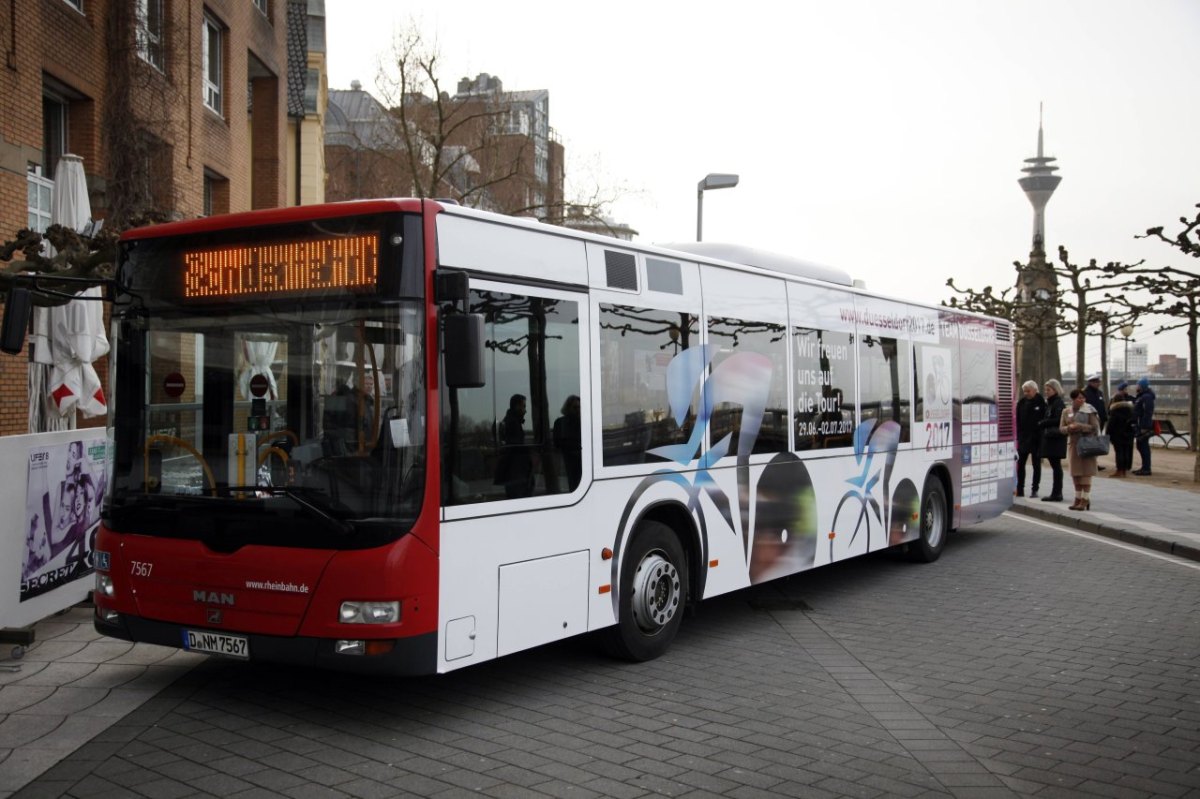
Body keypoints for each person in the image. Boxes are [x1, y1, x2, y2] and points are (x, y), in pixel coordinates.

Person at [1062, 388, 1101, 511]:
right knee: (1076, 474)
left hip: (1087, 445)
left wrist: (1080, 426)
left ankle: (1085, 499)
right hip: (1074, 445)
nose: (1082, 400)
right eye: (1079, 398)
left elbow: (1095, 428)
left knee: (1086, 474)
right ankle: (1077, 498)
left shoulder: (1090, 410)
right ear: (1073, 399)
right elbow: (1061, 428)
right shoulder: (1066, 411)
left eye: (1083, 398)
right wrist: (1069, 428)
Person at [495, 393, 533, 498]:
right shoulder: (512, 423)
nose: (525, 410)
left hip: (513, 472)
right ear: (517, 406)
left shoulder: (509, 421)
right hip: (516, 473)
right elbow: (516, 447)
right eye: (524, 406)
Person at [1015, 380, 1046, 497]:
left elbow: (1043, 419)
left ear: (1035, 390)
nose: (1026, 393)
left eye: (1028, 391)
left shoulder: (1041, 402)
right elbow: (1017, 420)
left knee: (1036, 465)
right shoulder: (1021, 402)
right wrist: (1018, 436)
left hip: (1036, 439)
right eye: (1024, 391)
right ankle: (1020, 488)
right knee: (1020, 464)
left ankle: (1035, 489)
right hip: (1023, 438)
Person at [1038, 379, 1067, 502]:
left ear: (1055, 390)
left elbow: (1058, 419)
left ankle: (1057, 493)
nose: (1046, 392)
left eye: (1048, 390)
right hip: (1051, 438)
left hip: (1055, 438)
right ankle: (1056, 492)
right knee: (1055, 466)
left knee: (1056, 466)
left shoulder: (1058, 403)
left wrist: (1043, 422)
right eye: (1045, 389)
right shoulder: (1051, 403)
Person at [553, 394, 583, 492]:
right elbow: (557, 443)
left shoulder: (583, 422)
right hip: (567, 461)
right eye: (575, 407)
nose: (578, 410)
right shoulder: (560, 423)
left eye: (579, 407)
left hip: (582, 462)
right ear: (568, 408)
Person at [1107, 381, 1136, 477]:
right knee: (1126, 452)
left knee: (1119, 452)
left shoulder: (1115, 411)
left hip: (1118, 435)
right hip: (1127, 434)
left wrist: (1108, 434)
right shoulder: (1129, 410)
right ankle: (1124, 470)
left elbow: (1111, 424)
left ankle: (1119, 470)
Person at [1083, 374, 1109, 471]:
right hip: (1090, 421)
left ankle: (1094, 462)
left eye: (1099, 382)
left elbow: (1102, 407)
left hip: (1100, 421)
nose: (1098, 383)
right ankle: (1087, 463)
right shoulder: (1085, 393)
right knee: (1089, 442)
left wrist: (1105, 417)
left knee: (1096, 443)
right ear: (1091, 382)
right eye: (1096, 382)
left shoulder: (1100, 393)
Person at [1132, 377, 1156, 476]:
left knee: (1143, 446)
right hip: (1140, 424)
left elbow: (1147, 412)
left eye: (1138, 385)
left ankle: (1146, 468)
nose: (1136, 387)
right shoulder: (1142, 396)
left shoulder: (1146, 397)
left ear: (1141, 386)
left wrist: (1144, 426)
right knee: (1140, 446)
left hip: (1143, 425)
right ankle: (1144, 467)